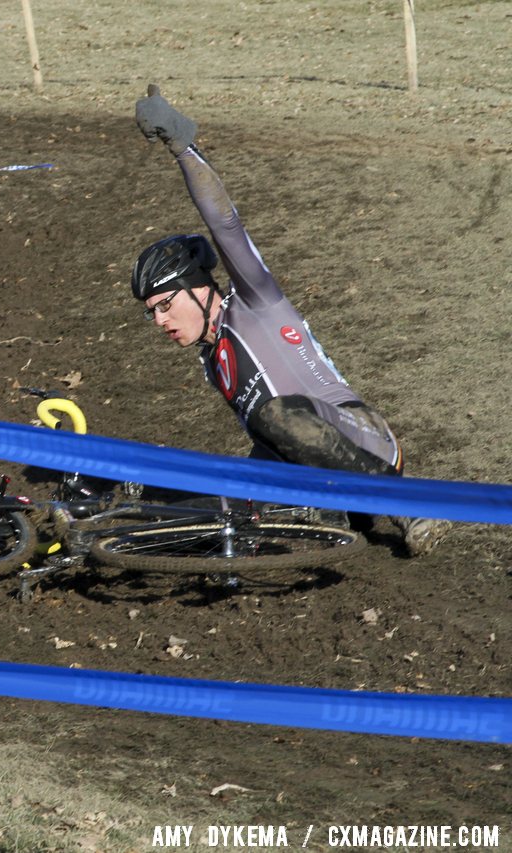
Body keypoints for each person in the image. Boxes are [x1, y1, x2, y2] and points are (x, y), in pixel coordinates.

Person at [129, 85, 450, 557]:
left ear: (200, 290)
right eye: (151, 312)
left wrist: (182, 146)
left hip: (365, 443)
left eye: (164, 305)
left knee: (272, 414)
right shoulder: (212, 360)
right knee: (202, 507)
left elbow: (226, 226)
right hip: (304, 465)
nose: (159, 320)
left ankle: (411, 506)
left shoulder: (255, 301)